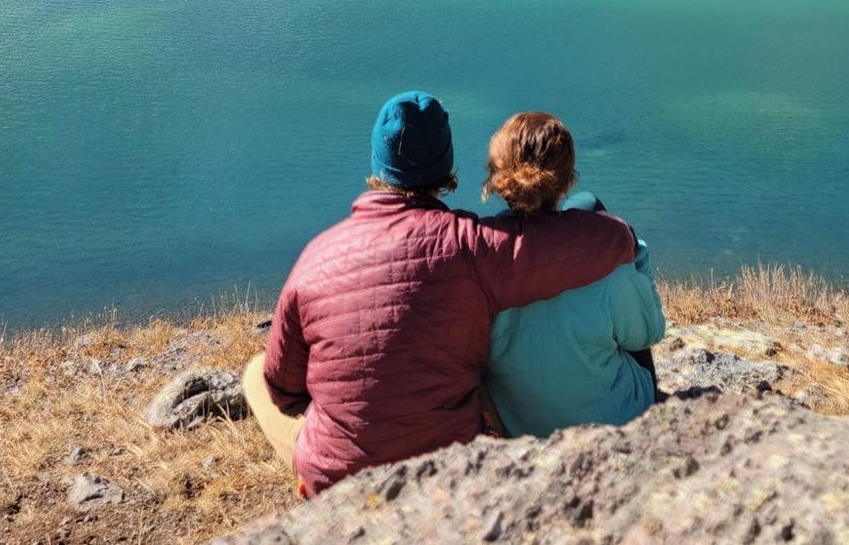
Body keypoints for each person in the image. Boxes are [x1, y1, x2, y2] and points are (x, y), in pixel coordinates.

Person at [241, 91, 637, 495]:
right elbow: (596, 241)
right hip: (443, 468)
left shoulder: (317, 256)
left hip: (338, 479)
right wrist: (625, 235)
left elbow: (282, 386)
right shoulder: (471, 247)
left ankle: (314, 473)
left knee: (254, 373)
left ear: (378, 164)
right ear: (446, 167)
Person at [483, 111, 664, 438]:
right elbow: (647, 333)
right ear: (567, 179)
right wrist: (637, 257)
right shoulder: (603, 256)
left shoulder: (478, 258)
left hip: (520, 430)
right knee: (588, 205)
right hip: (613, 423)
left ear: (498, 176)